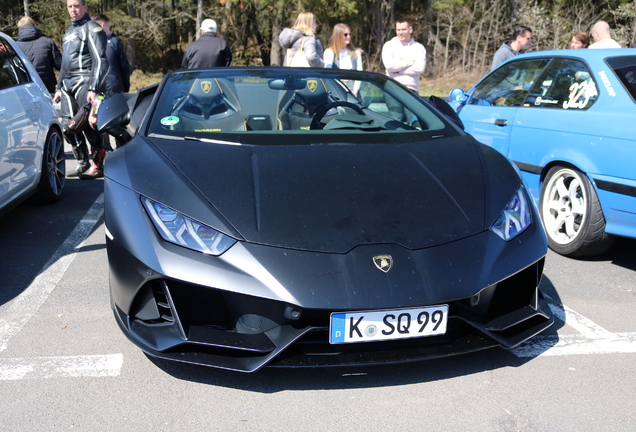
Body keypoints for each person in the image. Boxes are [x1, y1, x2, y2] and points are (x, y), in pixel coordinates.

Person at [54, 0, 109, 179]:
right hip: (67, 84)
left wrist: (93, 87)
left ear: (85, 7)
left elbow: (100, 60)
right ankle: (82, 162)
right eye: (70, 6)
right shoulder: (69, 32)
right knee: (67, 127)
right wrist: (58, 87)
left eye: (76, 6)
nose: (73, 10)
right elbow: (64, 63)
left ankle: (99, 165)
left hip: (85, 80)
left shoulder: (92, 28)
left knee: (87, 126)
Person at [15, 17, 62, 93]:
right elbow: (61, 65)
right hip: (48, 87)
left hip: (27, 90)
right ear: (35, 25)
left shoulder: (15, 46)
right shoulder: (47, 42)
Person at [381, 18, 426, 93]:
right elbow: (389, 66)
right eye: (398, 30)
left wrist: (397, 71)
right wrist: (410, 62)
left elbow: (420, 68)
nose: (400, 32)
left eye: (403, 29)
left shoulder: (418, 48)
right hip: (392, 87)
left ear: (410, 30)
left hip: (411, 88)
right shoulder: (389, 45)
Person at [91, 14, 131, 94]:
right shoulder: (114, 42)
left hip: (95, 89)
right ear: (103, 25)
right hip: (114, 88)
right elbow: (124, 67)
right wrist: (125, 86)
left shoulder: (89, 44)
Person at [324, 23, 363, 93]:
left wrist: (356, 90)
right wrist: (341, 87)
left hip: (353, 88)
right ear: (338, 36)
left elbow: (360, 73)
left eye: (350, 34)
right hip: (336, 87)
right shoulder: (329, 52)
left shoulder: (356, 52)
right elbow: (328, 73)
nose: (348, 37)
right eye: (345, 35)